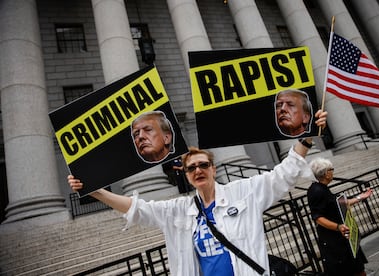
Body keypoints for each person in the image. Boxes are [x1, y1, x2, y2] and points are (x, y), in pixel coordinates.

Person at [68, 109, 327, 276]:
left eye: (204, 165)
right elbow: (139, 209)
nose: (198, 170)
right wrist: (96, 191)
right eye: (192, 167)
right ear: (186, 174)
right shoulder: (180, 210)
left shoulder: (244, 191)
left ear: (213, 169)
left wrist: (306, 140)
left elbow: (283, 175)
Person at [307, 157, 373, 276]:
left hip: (342, 238)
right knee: (351, 271)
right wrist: (338, 227)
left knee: (358, 269)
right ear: (326, 173)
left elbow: (338, 204)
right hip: (334, 242)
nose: (333, 171)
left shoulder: (323, 189)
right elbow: (318, 217)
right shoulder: (316, 191)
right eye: (331, 169)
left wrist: (360, 197)